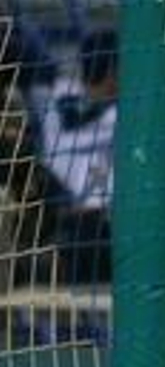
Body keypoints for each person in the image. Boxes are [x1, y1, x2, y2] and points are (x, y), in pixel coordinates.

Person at [38, 30, 118, 282]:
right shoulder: (64, 95)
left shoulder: (121, 108)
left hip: (109, 219)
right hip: (67, 218)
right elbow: (73, 119)